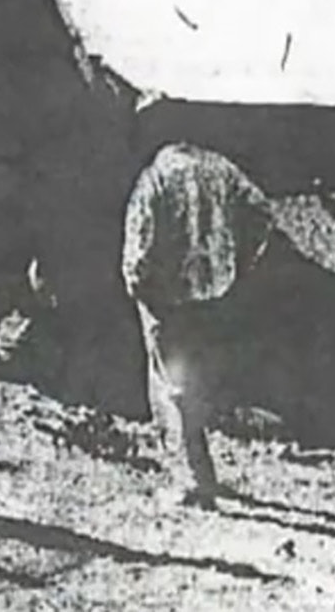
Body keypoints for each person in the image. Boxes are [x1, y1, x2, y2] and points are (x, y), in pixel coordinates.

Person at [122, 142, 274, 509]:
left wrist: (137, 285)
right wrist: (239, 262)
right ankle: (202, 473)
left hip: (168, 296)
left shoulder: (156, 176)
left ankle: (190, 482)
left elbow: (138, 246)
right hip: (214, 291)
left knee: (170, 386)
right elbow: (261, 211)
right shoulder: (221, 167)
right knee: (198, 382)